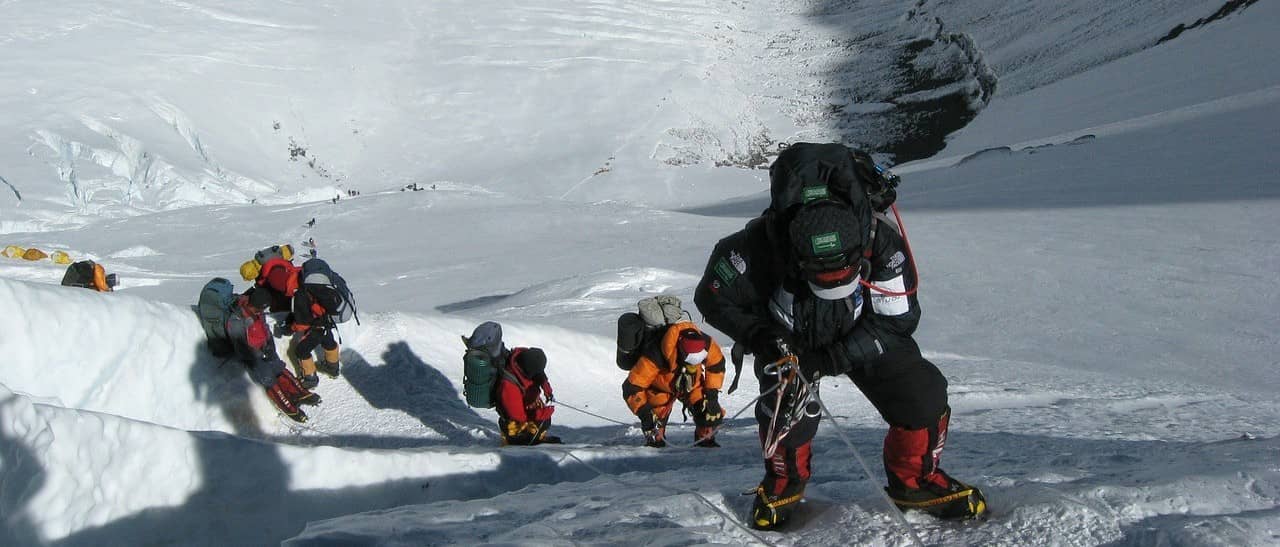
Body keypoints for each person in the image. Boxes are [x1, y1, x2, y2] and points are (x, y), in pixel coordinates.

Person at [694, 165, 986, 529]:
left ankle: (916, 483)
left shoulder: (881, 240)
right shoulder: (754, 247)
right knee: (785, 412)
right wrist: (761, 337)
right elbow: (712, 297)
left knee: (922, 395)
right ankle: (784, 483)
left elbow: (898, 320)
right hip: (789, 336)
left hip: (864, 331)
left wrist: (832, 358)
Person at [621, 322, 726, 448]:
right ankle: (655, 444)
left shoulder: (706, 342)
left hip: (692, 385)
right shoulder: (655, 353)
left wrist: (712, 397)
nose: (693, 366)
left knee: (709, 413)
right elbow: (632, 387)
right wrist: (645, 415)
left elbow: (716, 365)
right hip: (659, 390)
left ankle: (705, 439)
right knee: (655, 433)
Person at [227, 288, 319, 422]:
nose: (261, 312)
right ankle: (287, 406)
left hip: (264, 348)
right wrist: (257, 354)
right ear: (251, 305)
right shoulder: (236, 319)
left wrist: (270, 345)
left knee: (278, 366)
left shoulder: (257, 312)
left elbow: (265, 328)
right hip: (251, 355)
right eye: (259, 309)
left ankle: (298, 392)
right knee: (267, 376)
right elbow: (240, 346)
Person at [495, 347, 561, 446]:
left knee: (543, 422)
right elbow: (519, 416)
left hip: (525, 406)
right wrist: (543, 413)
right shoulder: (509, 386)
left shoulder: (524, 359)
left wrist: (546, 387)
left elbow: (539, 372)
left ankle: (536, 437)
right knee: (541, 423)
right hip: (513, 422)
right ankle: (519, 445)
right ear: (528, 371)